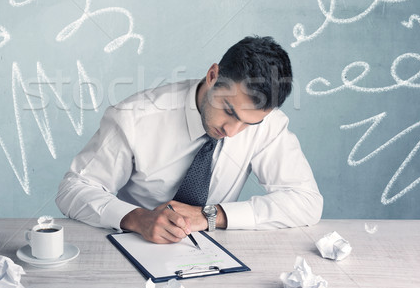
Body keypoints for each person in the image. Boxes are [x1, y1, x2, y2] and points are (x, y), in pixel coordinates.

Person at [56, 36, 322, 244]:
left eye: (248, 123)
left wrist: (212, 216)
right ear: (212, 76)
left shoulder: (268, 126)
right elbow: (73, 189)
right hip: (138, 247)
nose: (232, 131)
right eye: (229, 110)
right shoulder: (135, 117)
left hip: (214, 255)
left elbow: (306, 201)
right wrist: (138, 219)